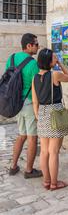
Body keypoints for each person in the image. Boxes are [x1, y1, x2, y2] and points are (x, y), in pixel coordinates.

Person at [32, 48, 68, 191]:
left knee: (44, 151)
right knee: (54, 151)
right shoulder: (55, 74)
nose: (55, 59)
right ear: (50, 62)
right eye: (54, 58)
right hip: (55, 113)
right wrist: (60, 64)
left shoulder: (35, 78)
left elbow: (35, 102)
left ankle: (46, 181)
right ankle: (54, 183)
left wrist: (39, 117)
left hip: (42, 113)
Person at [7, 33, 43, 179]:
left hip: (16, 103)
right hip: (28, 103)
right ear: (29, 46)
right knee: (32, 137)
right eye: (36, 44)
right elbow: (37, 87)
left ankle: (13, 166)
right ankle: (29, 170)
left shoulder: (12, 58)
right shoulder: (33, 64)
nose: (38, 46)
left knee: (22, 135)